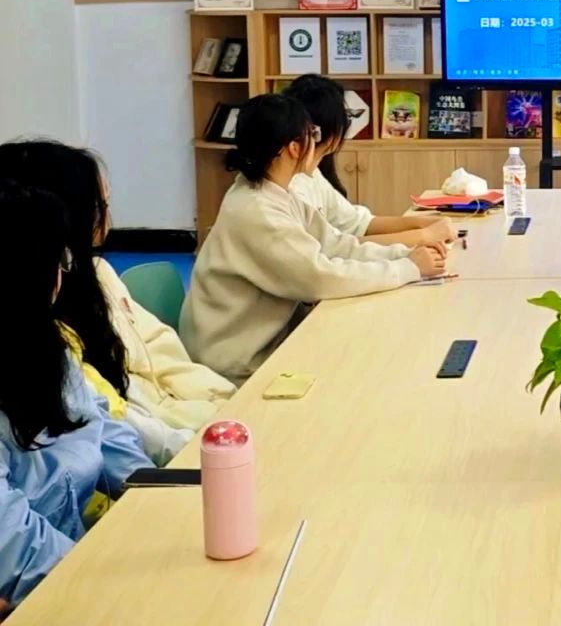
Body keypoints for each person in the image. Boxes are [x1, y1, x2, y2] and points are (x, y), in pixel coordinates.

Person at [181, 94, 447, 384]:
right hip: (237, 363)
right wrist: (408, 268)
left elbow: (336, 245)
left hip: (267, 342)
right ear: (294, 148)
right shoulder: (257, 211)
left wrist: (403, 254)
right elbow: (320, 278)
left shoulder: (274, 192)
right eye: (313, 134)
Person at [0, 141, 235, 432]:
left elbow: (161, 349)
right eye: (99, 207)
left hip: (178, 415)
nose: (107, 219)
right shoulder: (47, 330)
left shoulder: (100, 275)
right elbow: (130, 426)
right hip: (159, 435)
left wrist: (224, 400)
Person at [0, 181, 151, 608]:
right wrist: (108, 587)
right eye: (59, 260)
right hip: (44, 591)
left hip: (74, 565)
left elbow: (103, 431)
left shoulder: (48, 347)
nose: (64, 273)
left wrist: (155, 495)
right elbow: (15, 550)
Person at [282, 75, 456, 247]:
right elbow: (335, 248)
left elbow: (357, 223)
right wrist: (424, 236)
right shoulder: (291, 187)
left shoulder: (311, 174)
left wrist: (421, 223)